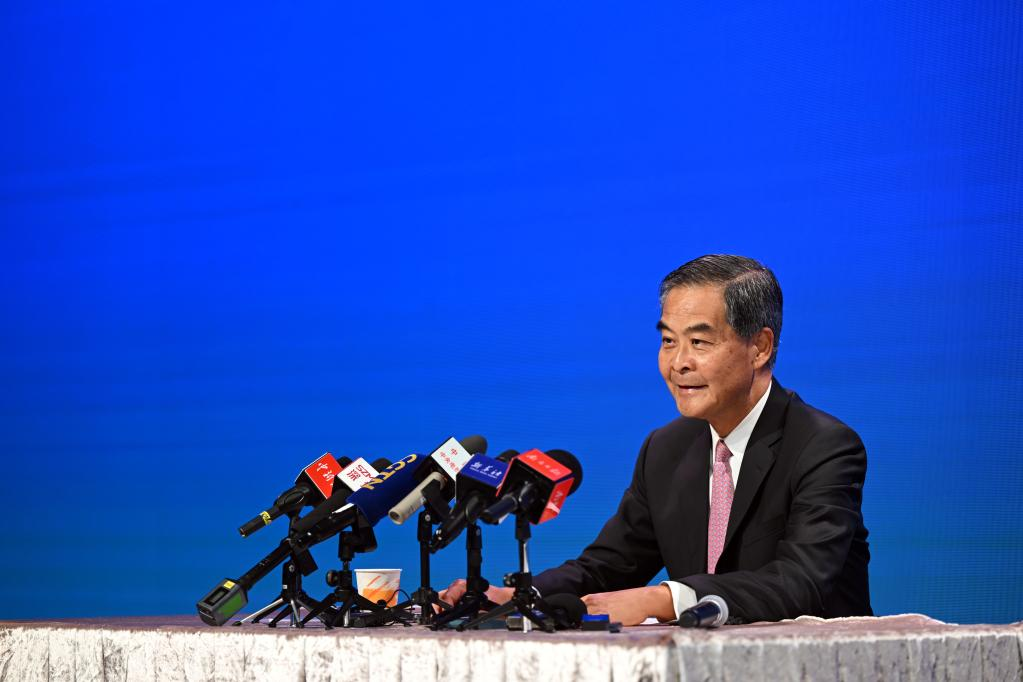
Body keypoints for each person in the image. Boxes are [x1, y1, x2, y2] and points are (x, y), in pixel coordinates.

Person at [440, 255, 871, 625]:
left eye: (699, 341)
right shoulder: (666, 449)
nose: (678, 363)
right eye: (668, 341)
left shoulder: (823, 446)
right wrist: (520, 595)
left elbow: (800, 581)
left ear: (759, 347)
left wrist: (663, 599)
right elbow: (607, 566)